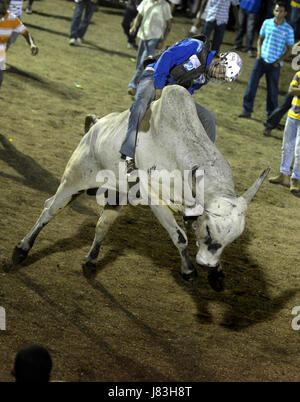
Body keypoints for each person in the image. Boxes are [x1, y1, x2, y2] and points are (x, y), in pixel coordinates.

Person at [120, 35, 242, 172]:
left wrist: (184, 106)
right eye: (222, 71)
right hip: (154, 76)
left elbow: (189, 91)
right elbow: (167, 56)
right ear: (221, 59)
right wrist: (159, 87)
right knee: (141, 105)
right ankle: (128, 155)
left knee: (208, 118)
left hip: (173, 92)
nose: (219, 75)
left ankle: (202, 161)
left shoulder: (204, 77)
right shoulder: (196, 46)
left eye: (222, 77)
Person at [238, 1, 294, 119]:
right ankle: (247, 110)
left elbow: (289, 50)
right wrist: (259, 53)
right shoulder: (267, 23)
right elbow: (260, 39)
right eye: (276, 10)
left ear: (286, 13)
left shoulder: (288, 30)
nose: (278, 13)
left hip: (274, 64)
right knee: (251, 86)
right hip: (261, 60)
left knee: (272, 92)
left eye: (281, 11)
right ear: (274, 11)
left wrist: (279, 61)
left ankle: (271, 116)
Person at [127, 0, 173, 96]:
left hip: (155, 37)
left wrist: (163, 40)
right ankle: (140, 85)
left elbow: (169, 24)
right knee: (139, 61)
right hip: (143, 36)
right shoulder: (146, 1)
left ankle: (133, 85)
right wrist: (134, 27)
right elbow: (139, 15)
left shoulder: (164, 5)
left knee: (143, 62)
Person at [269, 69, 300, 194]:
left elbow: (294, 90)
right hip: (292, 115)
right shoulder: (298, 74)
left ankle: (296, 178)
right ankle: (284, 174)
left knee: (299, 151)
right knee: (286, 146)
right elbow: (291, 90)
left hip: (294, 115)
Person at [0, 0, 38, 89]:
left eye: (7, 3)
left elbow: (25, 32)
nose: (5, 6)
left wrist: (32, 44)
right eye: (2, 2)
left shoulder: (12, 18)